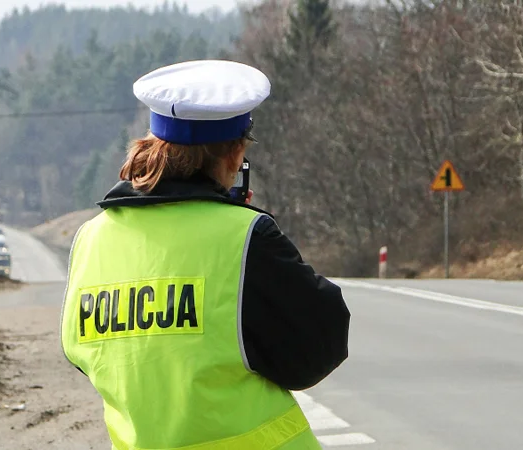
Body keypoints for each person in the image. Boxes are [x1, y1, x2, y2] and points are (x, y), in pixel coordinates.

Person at [60, 60, 350, 450]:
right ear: (234, 154)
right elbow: (319, 346)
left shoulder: (90, 239)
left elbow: (82, 355)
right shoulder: (245, 238)